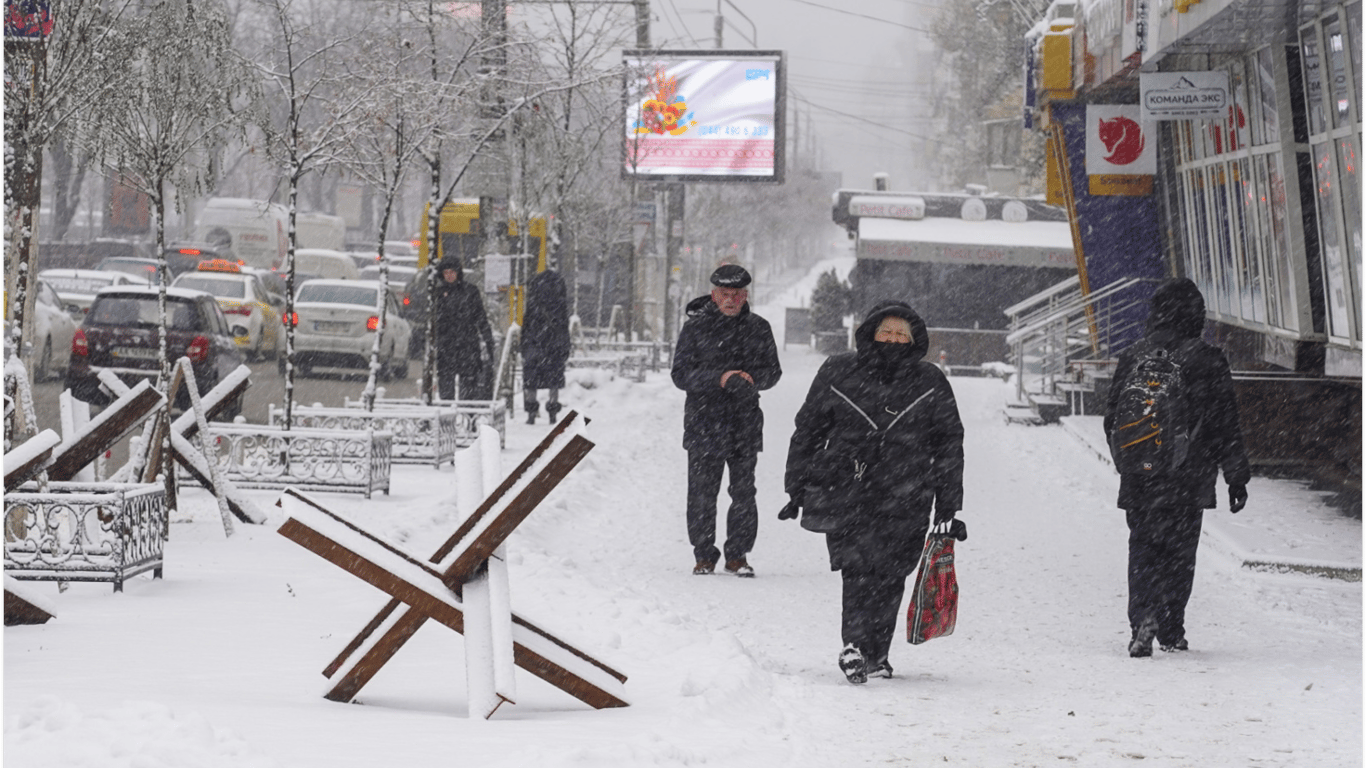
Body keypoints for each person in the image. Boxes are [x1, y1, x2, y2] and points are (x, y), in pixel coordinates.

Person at [781, 300, 964, 684]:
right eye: (887, 332)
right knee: (857, 569)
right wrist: (795, 487)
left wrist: (949, 504)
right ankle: (855, 647)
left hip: (909, 492)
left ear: (915, 340)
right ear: (870, 333)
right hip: (849, 488)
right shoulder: (838, 371)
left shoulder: (930, 381)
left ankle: (878, 655)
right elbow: (808, 430)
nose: (893, 340)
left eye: (902, 335)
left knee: (891, 573)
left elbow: (949, 443)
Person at [1104, 278, 1250, 658]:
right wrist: (1236, 476)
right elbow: (1225, 424)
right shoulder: (1208, 360)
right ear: (1196, 315)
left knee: (1143, 548)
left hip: (1140, 477)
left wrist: (1130, 461)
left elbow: (1112, 418)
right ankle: (1171, 627)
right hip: (1189, 477)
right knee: (1180, 553)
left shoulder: (1134, 356)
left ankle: (1142, 619)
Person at [671, 264, 781, 578]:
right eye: (724, 294)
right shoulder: (695, 329)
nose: (730, 300)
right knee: (702, 493)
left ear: (746, 295)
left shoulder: (759, 328)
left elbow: (773, 373)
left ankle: (738, 555)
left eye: (736, 294)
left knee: (744, 492)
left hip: (744, 423)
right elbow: (680, 375)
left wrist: (751, 378)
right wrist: (719, 378)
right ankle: (704, 555)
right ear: (713, 294)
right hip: (703, 423)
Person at [432, 254, 496, 401]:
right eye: (446, 272)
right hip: (446, 347)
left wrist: (488, 339)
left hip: (467, 346)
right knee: (446, 388)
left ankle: (469, 419)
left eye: (452, 272)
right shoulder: (438, 294)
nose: (449, 276)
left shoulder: (470, 291)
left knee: (469, 387)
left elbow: (481, 317)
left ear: (458, 273)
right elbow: (433, 321)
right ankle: (448, 419)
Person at [521, 266, 571, 424]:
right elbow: (563, 328)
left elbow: (526, 326)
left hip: (535, 345)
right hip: (553, 347)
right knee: (553, 380)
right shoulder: (559, 305)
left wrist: (524, 346)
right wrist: (564, 347)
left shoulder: (533, 304)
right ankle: (552, 411)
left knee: (531, 380)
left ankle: (531, 412)